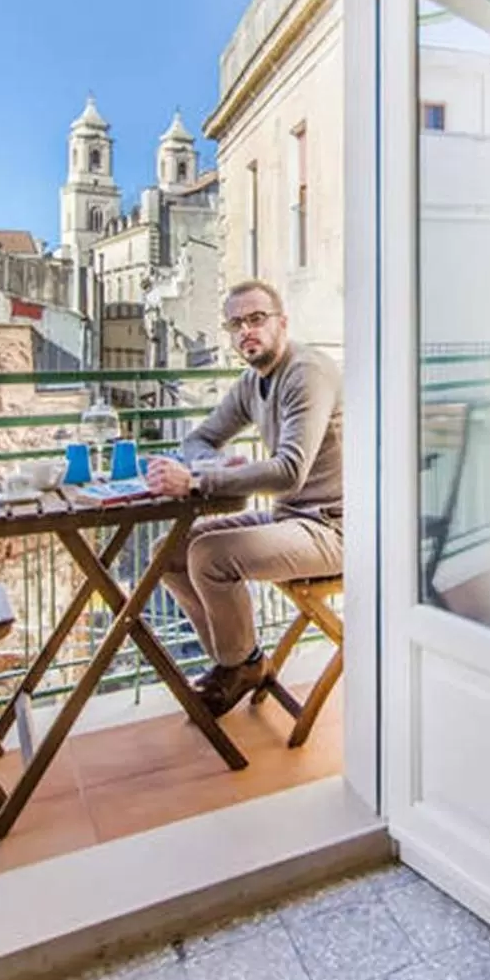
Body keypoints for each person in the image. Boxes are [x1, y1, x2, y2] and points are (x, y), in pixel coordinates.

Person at [142, 279, 343, 717]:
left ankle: (236, 666)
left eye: (256, 319)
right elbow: (201, 439)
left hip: (334, 526)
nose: (245, 332)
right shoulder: (253, 381)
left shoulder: (306, 372)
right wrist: (215, 465)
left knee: (211, 556)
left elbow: (290, 470)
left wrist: (198, 483)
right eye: (235, 324)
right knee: (169, 552)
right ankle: (241, 661)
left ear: (282, 323)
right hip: (289, 518)